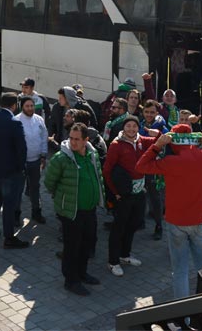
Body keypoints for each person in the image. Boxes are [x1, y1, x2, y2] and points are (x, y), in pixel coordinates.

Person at [135, 125, 202, 299]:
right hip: (200, 220)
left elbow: (141, 166)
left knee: (180, 271)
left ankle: (182, 314)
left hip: (176, 221)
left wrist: (157, 145)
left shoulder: (170, 162)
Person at [45, 123, 104, 296]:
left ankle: (82, 273)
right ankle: (71, 281)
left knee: (87, 243)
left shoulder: (92, 155)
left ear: (86, 140)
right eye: (71, 138)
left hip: (90, 210)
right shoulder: (61, 158)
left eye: (77, 139)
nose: (73, 142)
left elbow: (98, 176)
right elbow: (49, 183)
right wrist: (63, 198)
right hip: (71, 211)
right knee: (72, 247)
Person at [103, 116, 155, 276]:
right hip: (123, 194)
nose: (131, 129)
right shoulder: (116, 145)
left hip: (139, 192)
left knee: (134, 224)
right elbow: (107, 170)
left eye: (134, 126)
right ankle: (113, 262)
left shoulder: (141, 141)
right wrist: (115, 193)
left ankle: (125, 255)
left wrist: (157, 132)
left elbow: (161, 141)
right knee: (119, 228)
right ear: (124, 128)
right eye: (128, 126)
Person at [0, 92, 29, 249]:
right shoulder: (15, 123)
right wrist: (20, 168)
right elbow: (22, 150)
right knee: (9, 205)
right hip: (10, 172)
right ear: (14, 105)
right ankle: (9, 237)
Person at [139, 99, 169, 240]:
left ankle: (159, 226)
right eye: (146, 112)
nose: (149, 114)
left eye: (152, 112)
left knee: (155, 197)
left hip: (155, 167)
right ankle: (140, 221)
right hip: (140, 164)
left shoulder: (162, 127)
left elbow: (168, 142)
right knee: (140, 195)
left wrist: (157, 135)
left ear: (157, 113)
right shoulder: (140, 124)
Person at [16, 96, 48, 224]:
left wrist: (44, 155)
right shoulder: (16, 120)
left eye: (32, 106)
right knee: (18, 189)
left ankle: (36, 212)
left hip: (36, 161)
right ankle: (16, 215)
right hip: (21, 163)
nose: (30, 108)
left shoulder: (39, 120)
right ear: (22, 107)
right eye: (27, 106)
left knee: (35, 188)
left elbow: (44, 137)